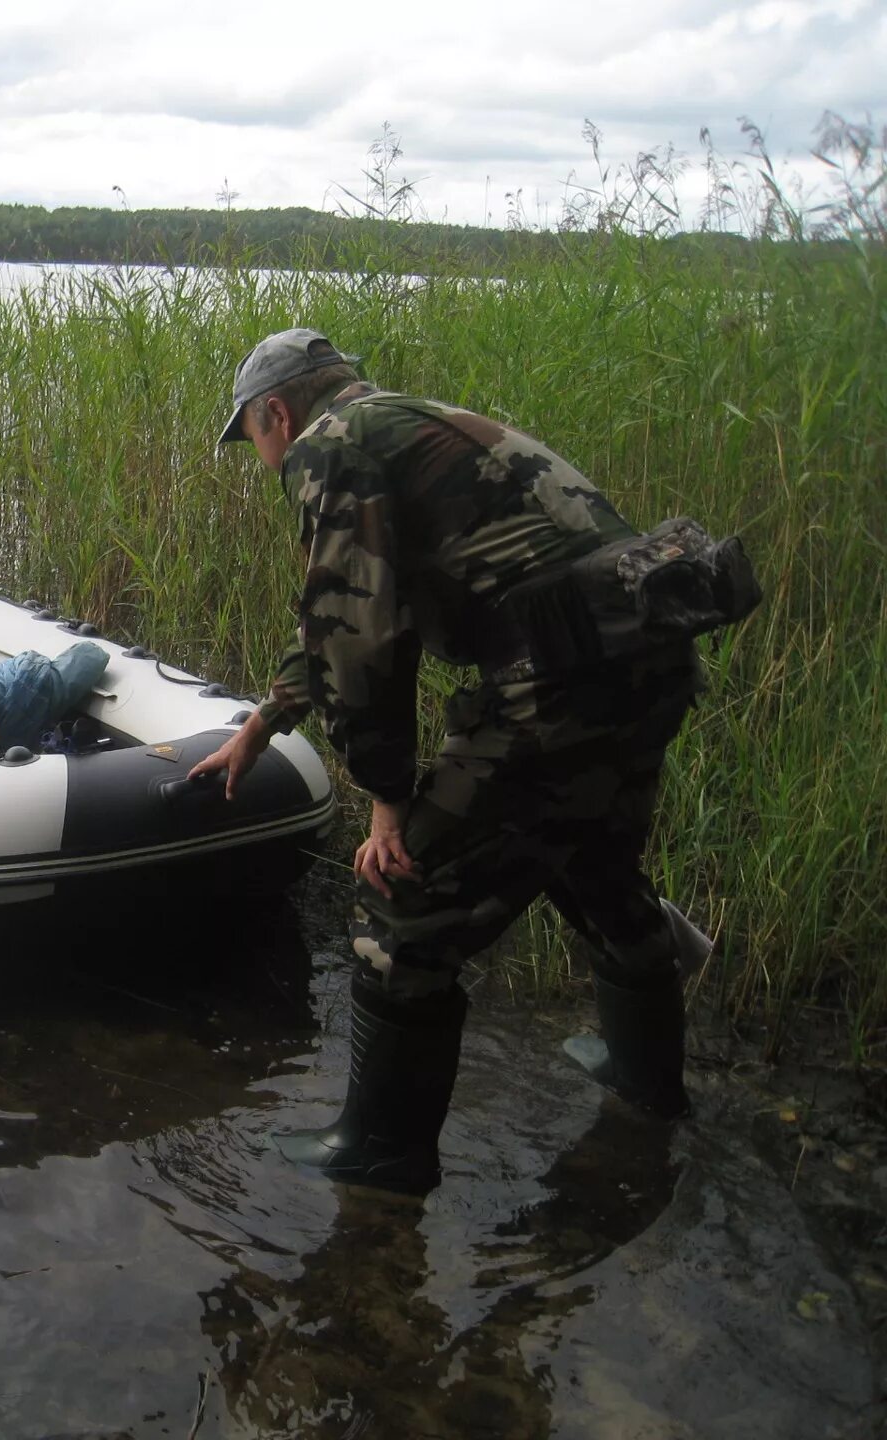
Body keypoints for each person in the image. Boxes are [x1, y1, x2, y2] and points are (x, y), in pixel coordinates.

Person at [193, 327, 706, 1192]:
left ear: (276, 411)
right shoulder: (411, 423)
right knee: (596, 860)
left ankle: (382, 1156)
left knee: (402, 905)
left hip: (555, 688)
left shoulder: (329, 450)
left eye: (252, 437)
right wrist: (261, 725)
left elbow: (359, 640)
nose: (261, 456)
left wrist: (386, 798)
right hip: (644, 665)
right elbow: (339, 623)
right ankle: (647, 1086)